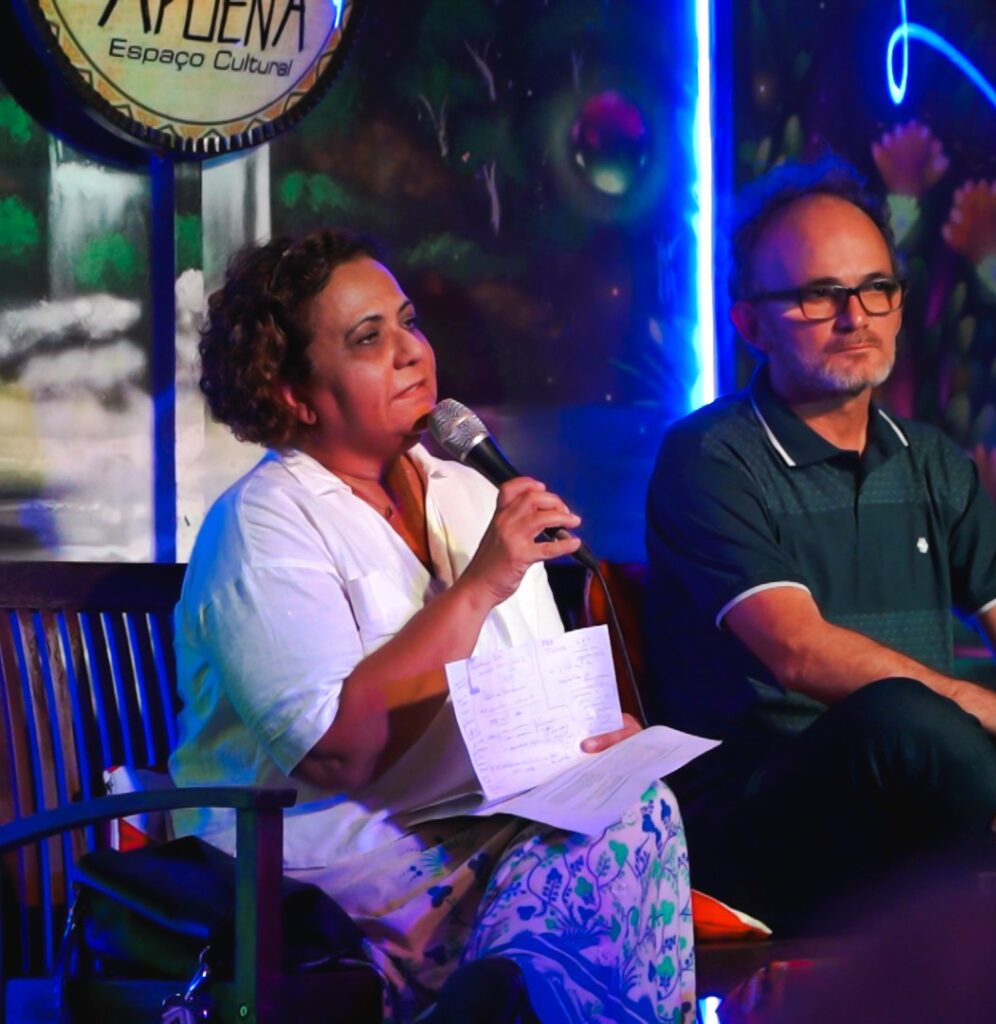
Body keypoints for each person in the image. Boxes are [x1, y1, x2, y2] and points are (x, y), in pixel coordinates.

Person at [169, 228, 695, 1023]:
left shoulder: (469, 491)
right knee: (617, 854)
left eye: (408, 322)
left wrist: (596, 742)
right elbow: (338, 752)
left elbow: (532, 695)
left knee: (636, 803)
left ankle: (511, 996)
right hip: (328, 853)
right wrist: (479, 585)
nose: (412, 351)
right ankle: (510, 997)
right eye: (368, 338)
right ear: (292, 393)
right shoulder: (261, 524)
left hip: (484, 826)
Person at [645, 159, 996, 935]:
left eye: (876, 288)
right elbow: (798, 651)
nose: (856, 315)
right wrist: (993, 713)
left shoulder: (932, 463)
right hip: (761, 822)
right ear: (750, 322)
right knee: (901, 718)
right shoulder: (710, 457)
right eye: (819, 294)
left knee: (921, 731)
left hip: (923, 804)